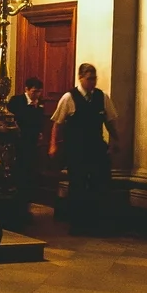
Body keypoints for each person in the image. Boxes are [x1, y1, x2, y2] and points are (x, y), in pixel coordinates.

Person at [50, 62, 121, 228]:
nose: (93, 82)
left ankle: (96, 221)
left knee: (99, 182)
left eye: (94, 79)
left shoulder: (102, 97)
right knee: (78, 184)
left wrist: (116, 140)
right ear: (80, 78)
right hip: (76, 149)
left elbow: (110, 121)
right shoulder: (69, 98)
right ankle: (78, 223)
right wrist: (53, 144)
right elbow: (57, 123)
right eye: (89, 79)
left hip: (96, 147)